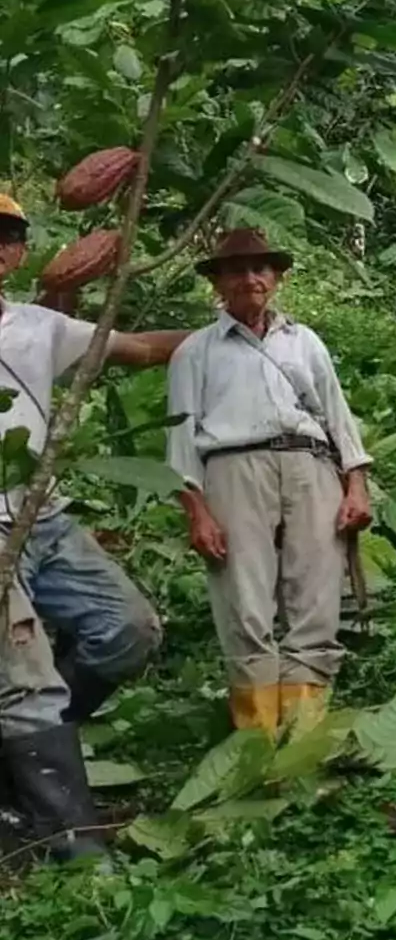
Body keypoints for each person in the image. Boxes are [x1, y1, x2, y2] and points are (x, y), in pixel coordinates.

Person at [0, 194, 189, 861]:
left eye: (7, 235)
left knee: (129, 630)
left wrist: (224, 335)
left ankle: (18, 761)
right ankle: (76, 846)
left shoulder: (36, 328)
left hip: (41, 515)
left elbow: (137, 350)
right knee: (27, 681)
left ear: (18, 253)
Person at [166, 228, 372, 739]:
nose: (251, 278)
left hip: (310, 466)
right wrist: (198, 511)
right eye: (237, 270)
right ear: (217, 282)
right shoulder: (196, 351)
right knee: (244, 600)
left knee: (316, 596)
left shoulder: (305, 341)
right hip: (234, 470)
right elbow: (181, 439)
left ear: (276, 278)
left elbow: (339, 419)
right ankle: (257, 739)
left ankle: (302, 737)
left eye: (261, 268)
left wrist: (356, 485)